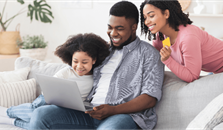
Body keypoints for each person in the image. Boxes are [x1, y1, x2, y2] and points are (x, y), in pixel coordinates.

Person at [22, 1, 164, 130]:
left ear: (134, 27)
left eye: (119, 28)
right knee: (41, 114)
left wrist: (112, 110)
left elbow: (149, 98)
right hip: (89, 111)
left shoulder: (149, 54)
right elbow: (80, 67)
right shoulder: (103, 51)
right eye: (110, 27)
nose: (113, 33)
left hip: (123, 116)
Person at [0, 33, 110, 130]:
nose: (79, 66)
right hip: (49, 98)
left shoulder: (96, 77)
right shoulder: (67, 71)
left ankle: (12, 121)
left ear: (93, 60)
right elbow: (52, 84)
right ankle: (8, 112)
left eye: (84, 62)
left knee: (41, 119)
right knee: (36, 109)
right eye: (75, 61)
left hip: (70, 108)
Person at [140, 0, 223, 82]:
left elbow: (192, 76)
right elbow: (153, 64)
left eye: (151, 16)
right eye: (145, 18)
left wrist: (167, 60)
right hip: (216, 71)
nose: (146, 22)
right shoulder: (161, 39)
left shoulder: (188, 37)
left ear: (166, 14)